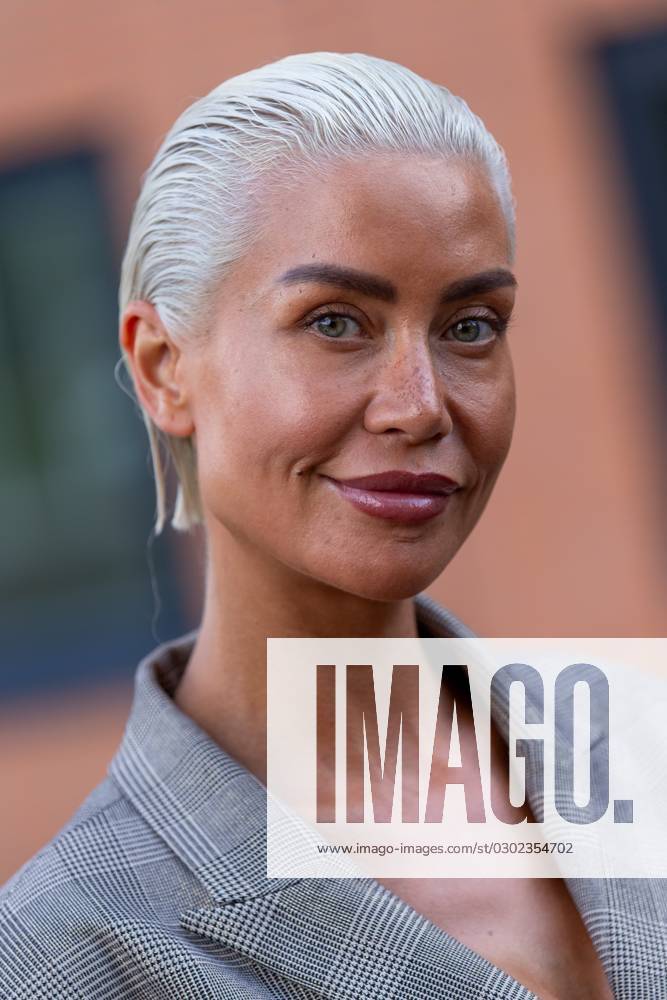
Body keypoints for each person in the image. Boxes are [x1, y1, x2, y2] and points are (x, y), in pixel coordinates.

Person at [2, 50, 657, 999]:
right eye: (335, 323)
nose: (419, 405)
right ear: (162, 368)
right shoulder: (63, 956)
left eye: (469, 325)